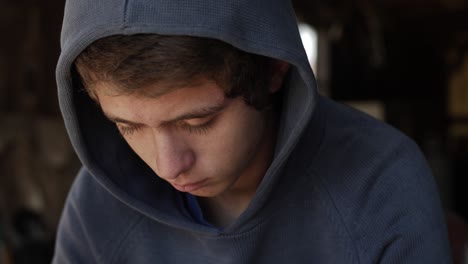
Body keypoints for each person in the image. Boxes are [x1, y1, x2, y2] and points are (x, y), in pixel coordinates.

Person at [53, 0, 453, 263]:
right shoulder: (97, 203)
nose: (168, 166)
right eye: (128, 127)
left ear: (272, 70)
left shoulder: (380, 183)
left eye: (198, 122)